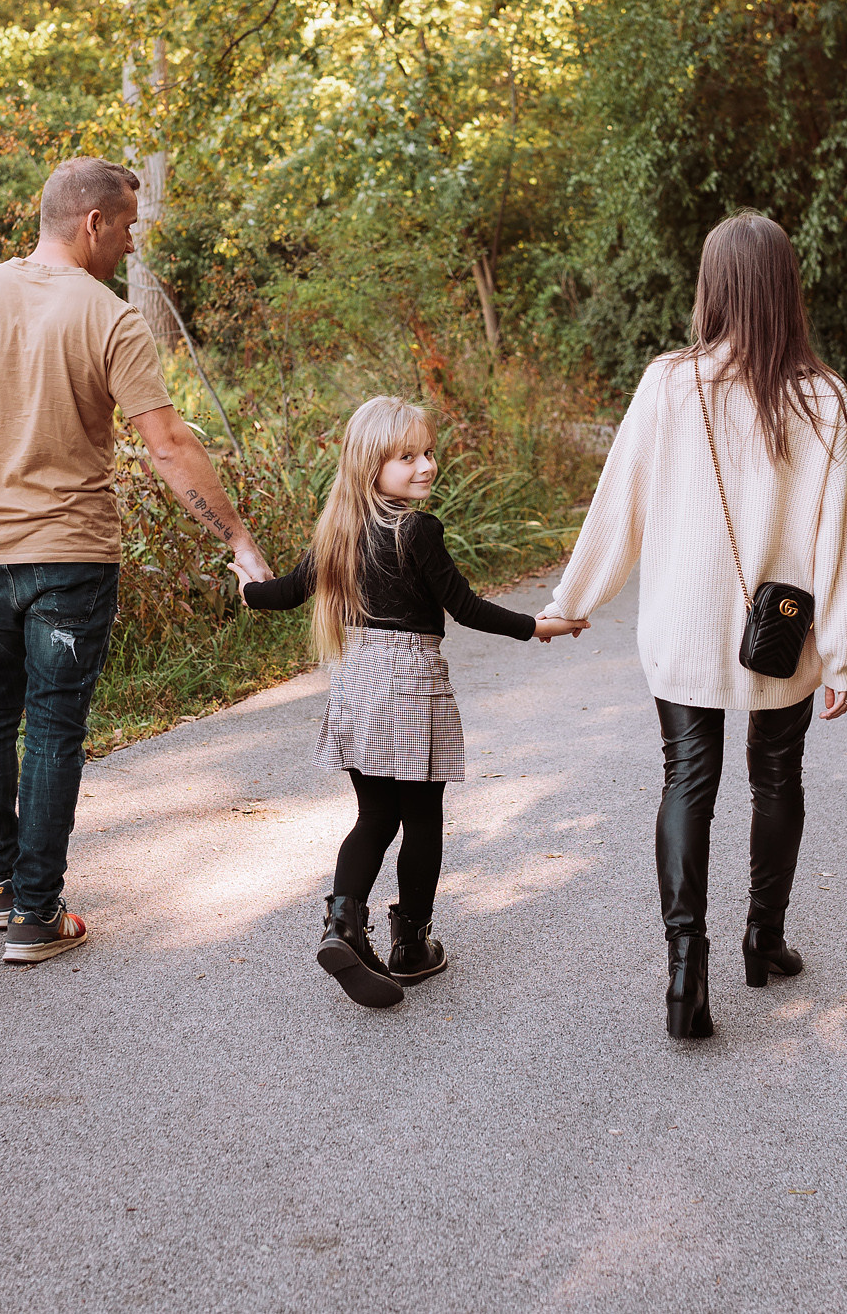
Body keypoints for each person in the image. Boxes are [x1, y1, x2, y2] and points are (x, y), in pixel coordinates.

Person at [0, 156, 273, 965]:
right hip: (71, 558)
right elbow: (169, 446)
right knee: (51, 726)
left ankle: (2, 886)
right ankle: (38, 915)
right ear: (91, 223)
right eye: (125, 228)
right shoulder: (108, 318)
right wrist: (237, 537)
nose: (127, 245)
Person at [539, 213, 847, 1039]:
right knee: (777, 774)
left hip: (686, 626)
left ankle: (686, 970)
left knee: (687, 777)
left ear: (712, 288)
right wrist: (842, 653)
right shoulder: (823, 397)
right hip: (780, 636)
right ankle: (764, 937)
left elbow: (621, 501)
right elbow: (842, 532)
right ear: (786, 288)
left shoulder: (668, 382)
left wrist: (571, 599)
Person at [233, 396, 588, 1008]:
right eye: (407, 457)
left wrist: (247, 587)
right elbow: (466, 607)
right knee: (421, 817)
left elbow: (281, 595)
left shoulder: (337, 532)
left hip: (355, 684)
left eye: (428, 453)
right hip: (411, 684)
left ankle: (343, 925)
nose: (425, 466)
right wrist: (538, 627)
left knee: (375, 818)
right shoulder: (417, 530)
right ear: (371, 465)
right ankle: (412, 944)